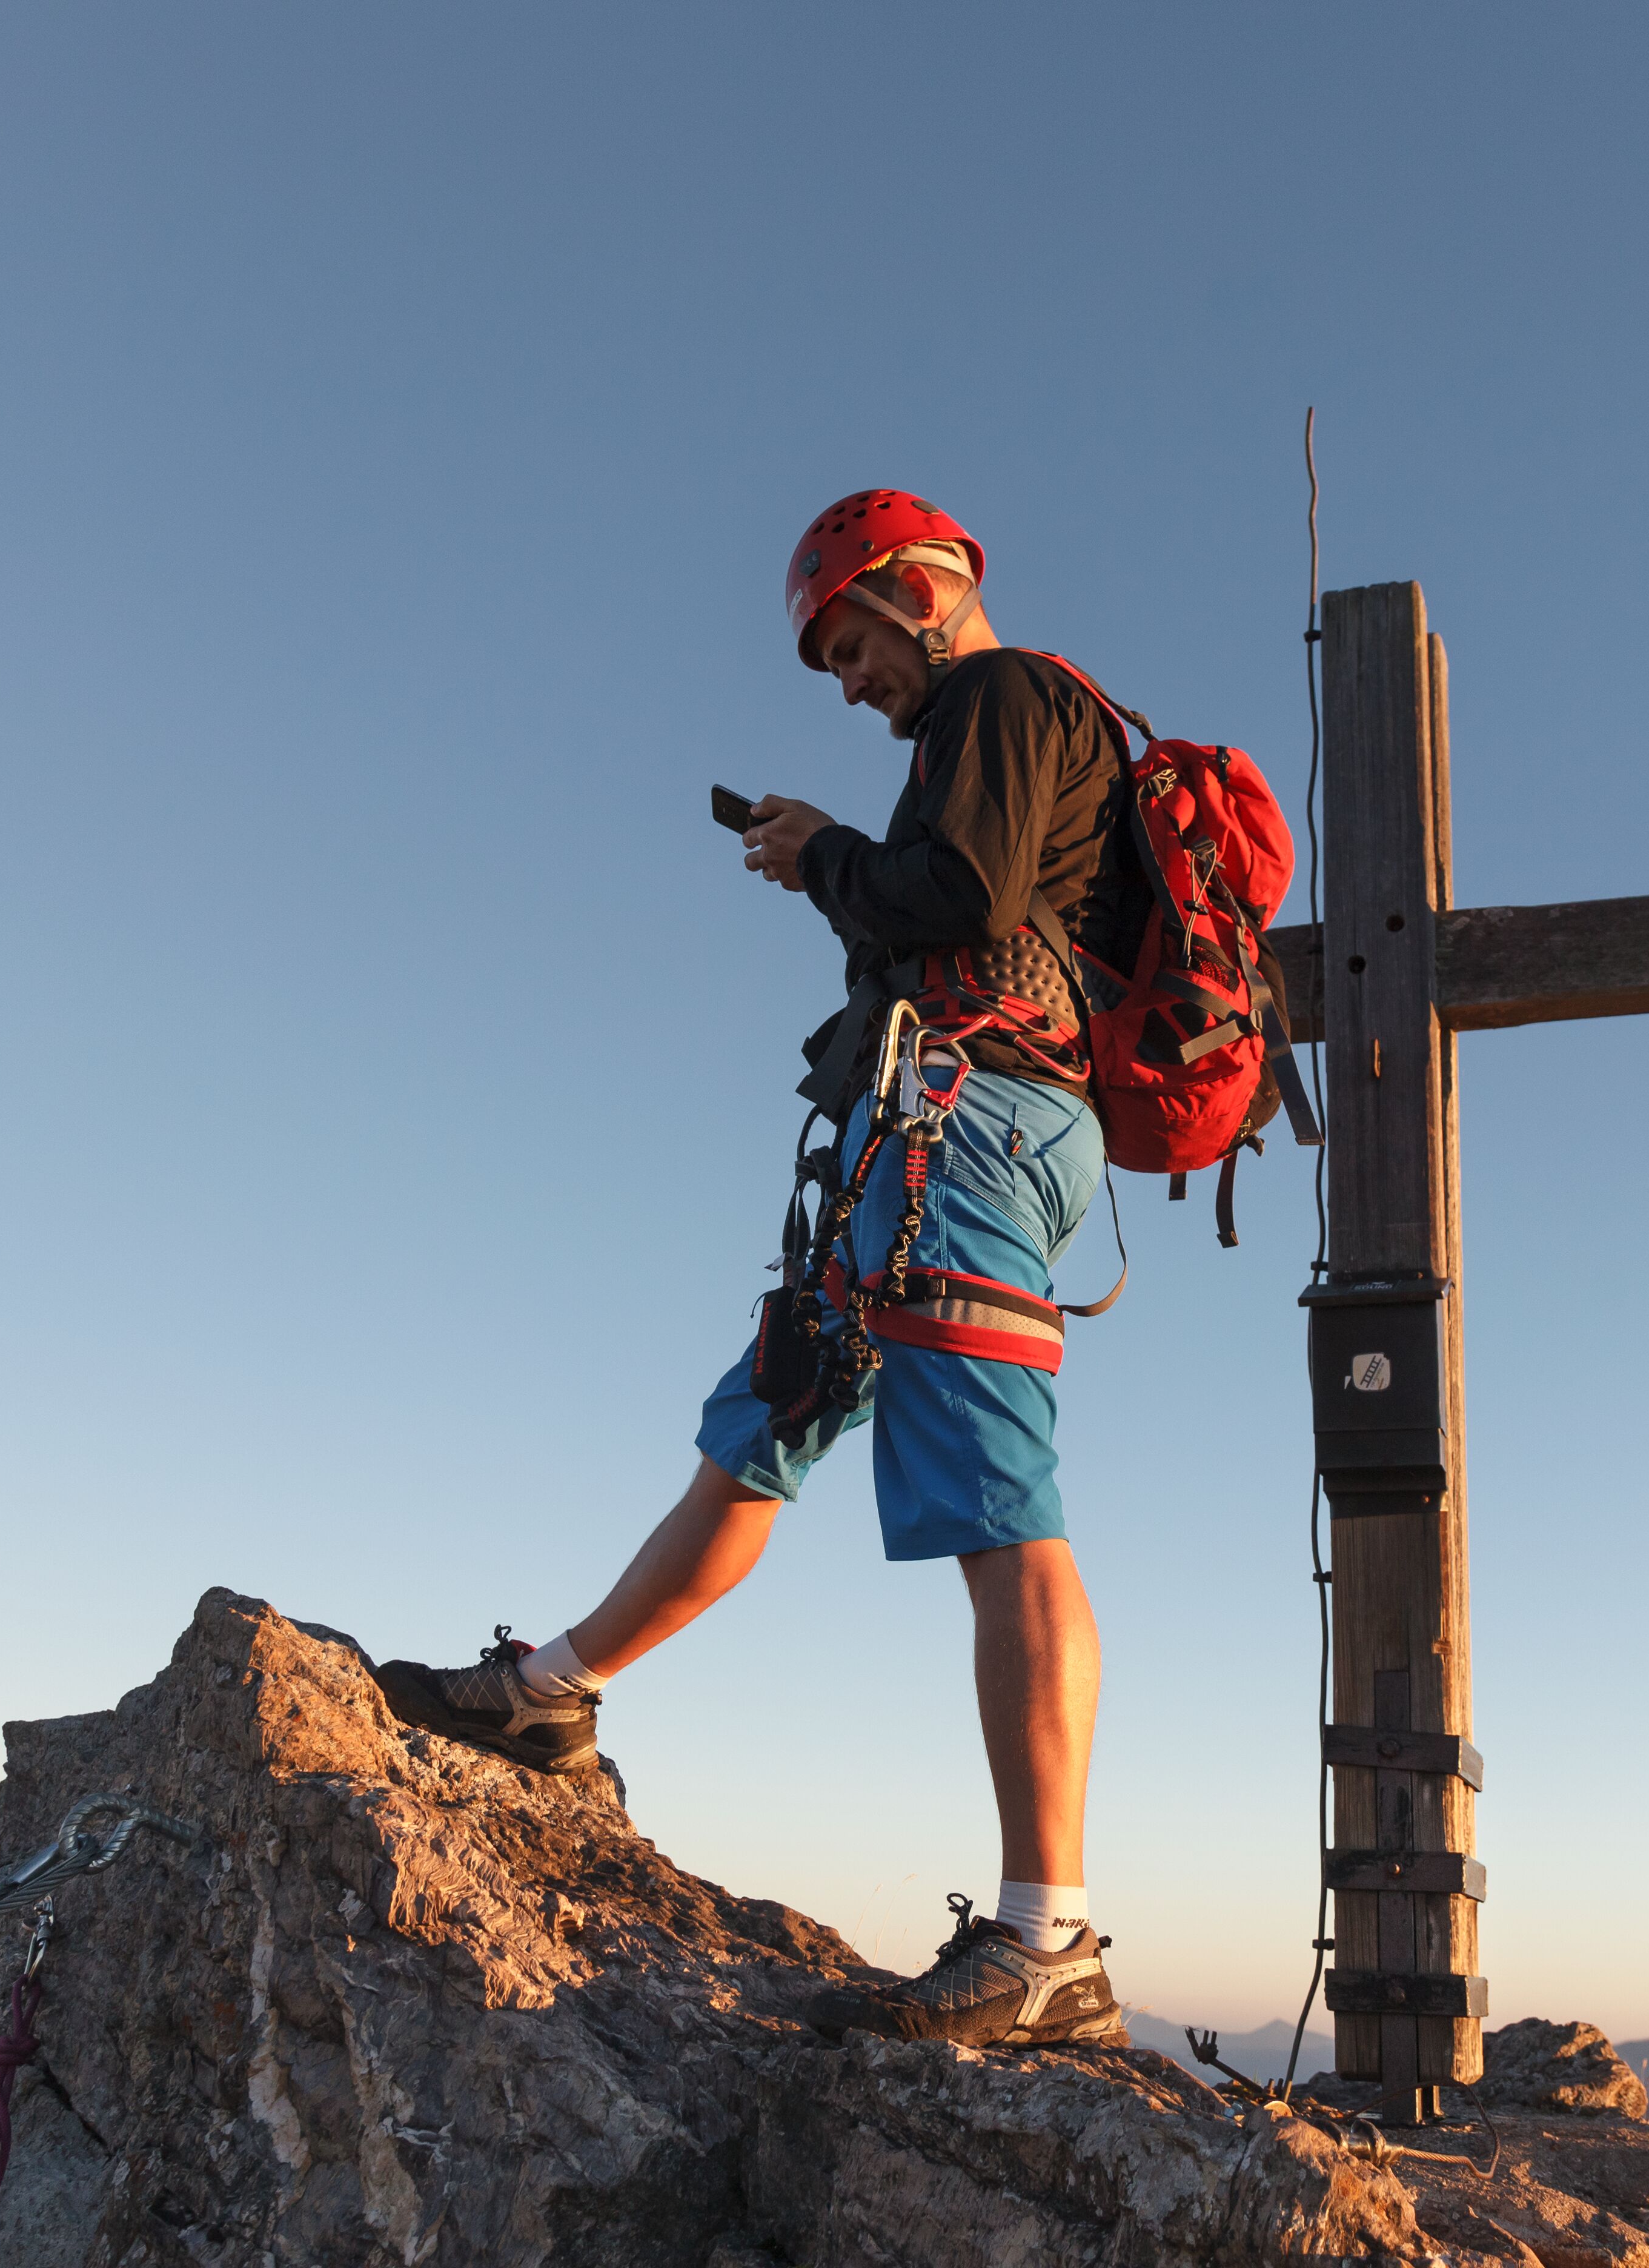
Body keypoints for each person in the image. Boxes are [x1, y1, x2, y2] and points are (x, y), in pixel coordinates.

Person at [377, 491, 1146, 2051]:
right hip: (925, 1135)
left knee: (1001, 1502)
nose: (851, 683)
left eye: (853, 645)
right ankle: (554, 1690)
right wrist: (841, 860)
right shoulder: (991, 728)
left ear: (923, 593)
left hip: (970, 1130)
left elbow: (965, 904)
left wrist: (820, 858)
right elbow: (961, 913)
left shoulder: (1004, 696)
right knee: (771, 1424)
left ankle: (1049, 1938)